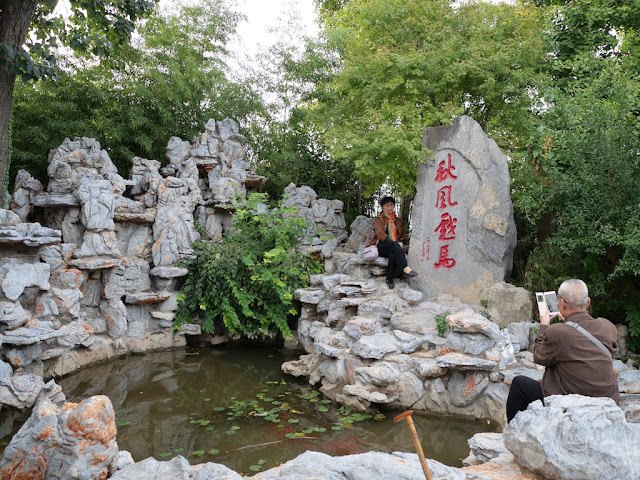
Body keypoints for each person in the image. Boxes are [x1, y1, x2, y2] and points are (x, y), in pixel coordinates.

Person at [506, 279, 619, 423]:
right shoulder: (607, 326)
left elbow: (539, 356)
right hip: (608, 401)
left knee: (519, 384)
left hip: (573, 401)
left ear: (561, 304)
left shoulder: (558, 331)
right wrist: (567, 324)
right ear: (588, 302)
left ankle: (513, 435)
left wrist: (544, 326)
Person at [367, 196, 418, 289]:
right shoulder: (379, 219)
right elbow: (380, 234)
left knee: (394, 253)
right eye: (386, 205)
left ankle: (389, 279)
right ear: (382, 207)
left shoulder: (397, 220)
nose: (389, 207)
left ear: (394, 206)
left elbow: (402, 235)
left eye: (391, 205)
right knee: (395, 246)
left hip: (394, 247)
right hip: (382, 246)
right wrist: (394, 243)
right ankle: (405, 268)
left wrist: (401, 242)